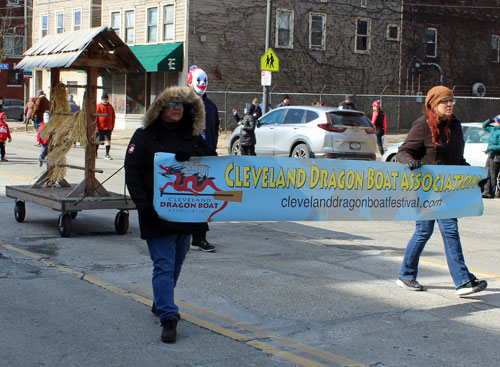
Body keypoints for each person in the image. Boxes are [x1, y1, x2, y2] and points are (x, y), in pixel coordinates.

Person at [125, 86, 217, 343]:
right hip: (156, 213)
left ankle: (160, 300)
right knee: (163, 264)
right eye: (172, 104)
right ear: (160, 108)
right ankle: (169, 316)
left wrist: (194, 154)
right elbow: (132, 174)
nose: (177, 108)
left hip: (186, 214)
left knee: (176, 262)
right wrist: (145, 208)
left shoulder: (192, 137)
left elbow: (213, 160)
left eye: (181, 105)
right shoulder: (144, 136)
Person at [396, 85, 487, 296]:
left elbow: (457, 160)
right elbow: (404, 152)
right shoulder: (422, 125)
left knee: (440, 231)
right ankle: (461, 281)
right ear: (433, 104)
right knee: (426, 232)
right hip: (426, 190)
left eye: (451, 100)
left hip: (447, 191)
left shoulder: (455, 125)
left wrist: (474, 177)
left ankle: (408, 274)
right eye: (445, 101)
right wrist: (411, 162)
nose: (450, 104)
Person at [187, 65, 219, 252]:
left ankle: (199, 237)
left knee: (203, 197)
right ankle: (184, 235)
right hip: (187, 158)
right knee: (186, 197)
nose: (202, 84)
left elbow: (214, 130)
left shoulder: (212, 106)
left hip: (207, 158)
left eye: (204, 80)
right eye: (198, 80)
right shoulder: (182, 104)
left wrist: (211, 150)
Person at [481, 115, 500, 198]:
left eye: (496, 120)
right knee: (487, 172)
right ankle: (486, 191)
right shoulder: (493, 129)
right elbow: (484, 126)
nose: (494, 122)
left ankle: (491, 192)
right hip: (491, 155)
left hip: (496, 156)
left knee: (493, 174)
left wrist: (489, 148)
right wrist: (489, 120)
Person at [95, 93, 116, 160]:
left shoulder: (110, 107)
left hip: (108, 127)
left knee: (108, 140)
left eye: (106, 99)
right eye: (104, 99)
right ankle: (95, 153)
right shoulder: (98, 106)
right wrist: (96, 126)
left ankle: (107, 154)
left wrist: (112, 126)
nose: (105, 100)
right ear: (102, 99)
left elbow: (113, 117)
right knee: (98, 140)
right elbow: (95, 117)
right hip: (100, 127)